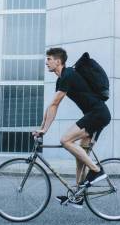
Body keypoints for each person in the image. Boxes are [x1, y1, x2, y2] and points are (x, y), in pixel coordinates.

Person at [32, 47, 111, 209]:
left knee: (65, 140)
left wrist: (45, 131)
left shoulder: (67, 74)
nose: (46, 62)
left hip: (98, 114)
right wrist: (41, 128)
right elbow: (51, 107)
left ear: (58, 61)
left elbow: (55, 104)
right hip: (95, 114)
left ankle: (96, 171)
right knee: (80, 158)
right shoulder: (62, 78)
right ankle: (78, 195)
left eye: (49, 59)